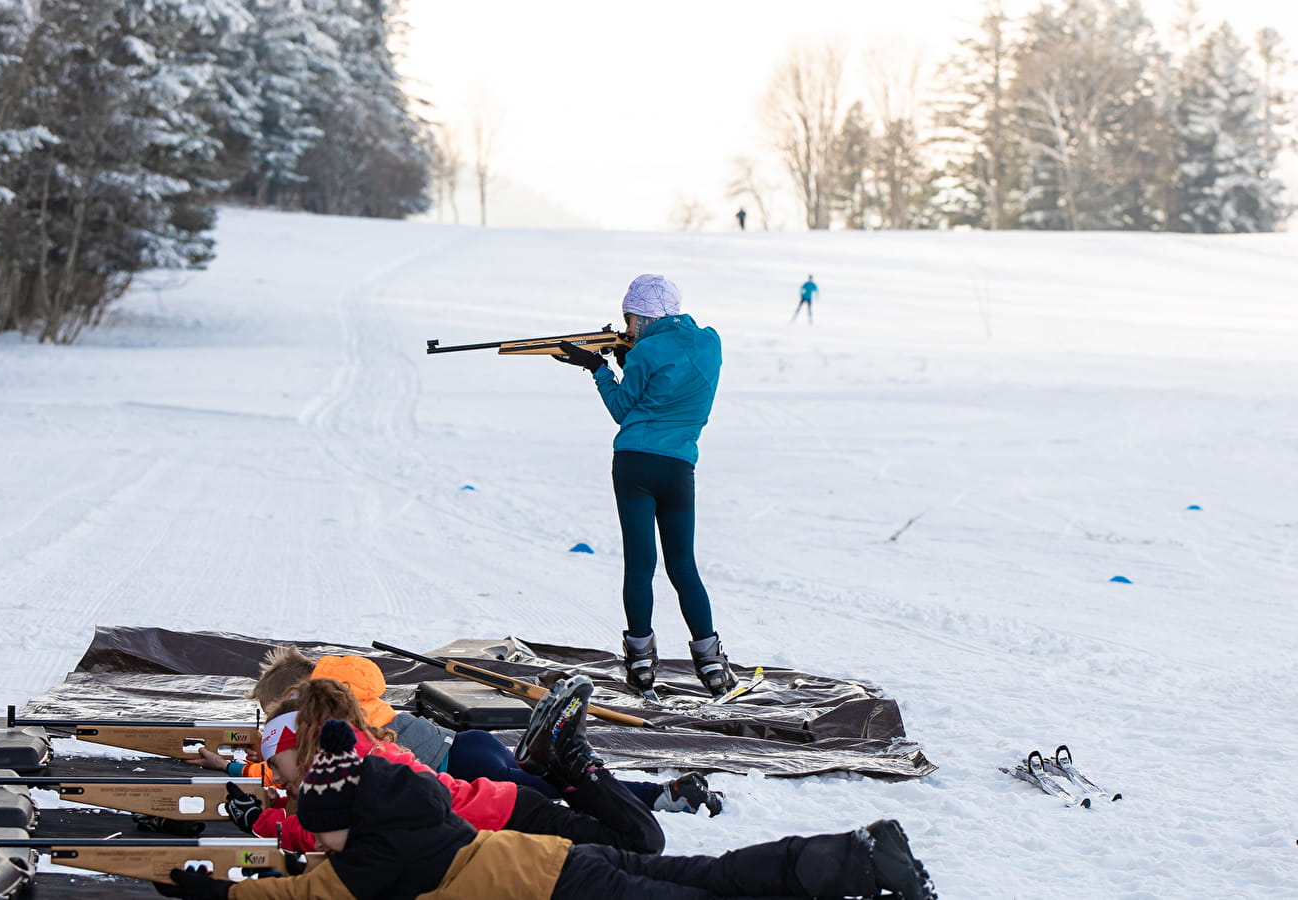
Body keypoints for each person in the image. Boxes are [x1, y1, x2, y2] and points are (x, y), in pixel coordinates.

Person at [155, 716, 937, 900]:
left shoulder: (376, 858)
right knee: (715, 874)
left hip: (568, 883)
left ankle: (860, 871)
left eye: (321, 818)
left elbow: (303, 895)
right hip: (562, 864)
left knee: (708, 890)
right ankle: (859, 855)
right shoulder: (406, 815)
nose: (316, 832)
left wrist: (215, 890)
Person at [193, 645, 721, 816]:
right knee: (550, 785)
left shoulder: (321, 726)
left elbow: (292, 770)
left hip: (462, 768)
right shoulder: (354, 696)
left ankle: (646, 801)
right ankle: (660, 792)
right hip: (469, 747)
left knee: (556, 797)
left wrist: (235, 767)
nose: (274, 727)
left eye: (273, 714)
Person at [229, 676, 666, 858]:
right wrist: (275, 807)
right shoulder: (348, 752)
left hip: (506, 819)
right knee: (632, 842)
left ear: (301, 744)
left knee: (643, 842)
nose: (273, 771)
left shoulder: (352, 766)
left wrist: (265, 822)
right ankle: (557, 767)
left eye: (273, 760)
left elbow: (325, 833)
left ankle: (572, 762)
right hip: (502, 809)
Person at [553, 274, 735, 697]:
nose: (627, 326)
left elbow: (623, 409)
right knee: (683, 567)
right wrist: (627, 357)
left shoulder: (646, 350)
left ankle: (639, 664)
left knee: (640, 565)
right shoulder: (711, 344)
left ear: (644, 314)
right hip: (678, 469)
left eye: (630, 317)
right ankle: (710, 663)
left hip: (634, 465)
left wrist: (599, 367)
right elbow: (670, 380)